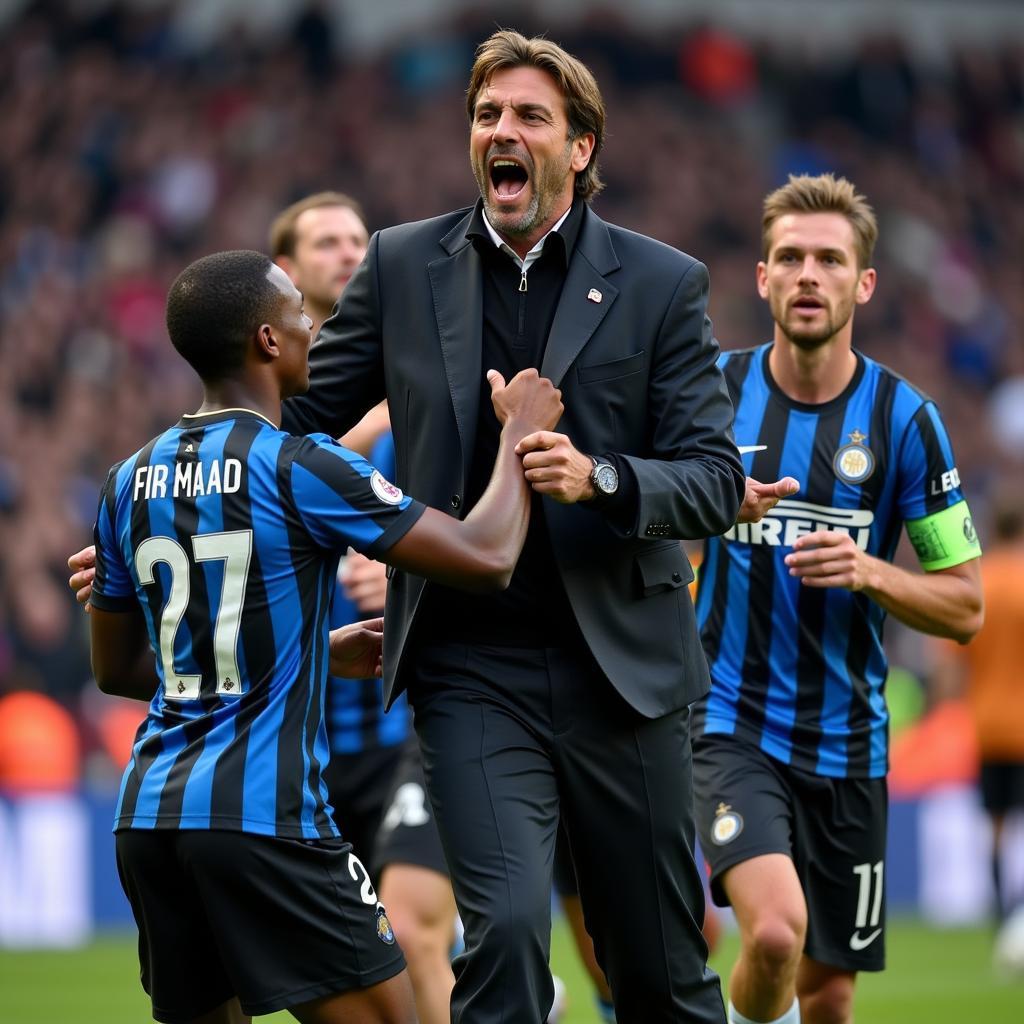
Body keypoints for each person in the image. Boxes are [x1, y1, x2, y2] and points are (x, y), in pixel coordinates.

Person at [281, 28, 743, 1023]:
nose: (503, 130)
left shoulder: (663, 283)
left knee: (661, 969)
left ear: (579, 148)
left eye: (530, 115)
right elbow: (298, 424)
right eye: (488, 115)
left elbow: (711, 480)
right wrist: (178, 482)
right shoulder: (402, 267)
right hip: (468, 667)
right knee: (502, 944)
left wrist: (597, 477)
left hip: (627, 674)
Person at [85, 248, 562, 1024]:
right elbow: (487, 556)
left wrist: (306, 658)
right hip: (259, 817)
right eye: (301, 313)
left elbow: (119, 668)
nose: (314, 327)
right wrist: (521, 436)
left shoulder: (126, 478)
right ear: (268, 342)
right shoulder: (299, 466)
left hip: (149, 822)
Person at [691, 173, 985, 1024]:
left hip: (852, 749)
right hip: (729, 723)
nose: (807, 274)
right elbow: (646, 524)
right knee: (776, 935)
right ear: (762, 278)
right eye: (790, 257)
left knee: (828, 993)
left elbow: (964, 605)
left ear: (864, 284)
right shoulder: (709, 396)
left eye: (828, 259)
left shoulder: (906, 421)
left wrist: (870, 572)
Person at [270, 191, 405, 867]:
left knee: (414, 923)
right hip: (298, 723)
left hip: (401, 716)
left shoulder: (414, 377)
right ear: (284, 270)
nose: (351, 254)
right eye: (327, 243)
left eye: (359, 240)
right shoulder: (259, 401)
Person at [938, 488, 1024, 924]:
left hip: (988, 725)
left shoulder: (980, 583)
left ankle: (1000, 918)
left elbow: (952, 664)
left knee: (995, 826)